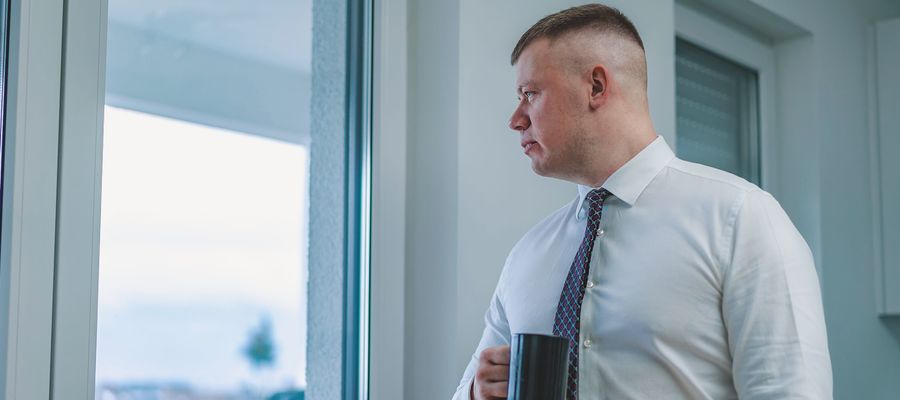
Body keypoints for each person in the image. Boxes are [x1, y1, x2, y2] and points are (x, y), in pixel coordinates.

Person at [451, 3, 832, 400]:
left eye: (530, 94)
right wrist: (480, 392)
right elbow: (464, 391)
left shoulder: (741, 219)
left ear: (596, 87)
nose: (516, 119)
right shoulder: (527, 255)